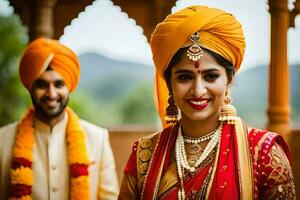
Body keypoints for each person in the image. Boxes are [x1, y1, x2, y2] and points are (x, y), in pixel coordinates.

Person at [118, 5, 296, 200]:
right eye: (184, 77)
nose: (198, 90)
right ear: (169, 83)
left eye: (211, 76)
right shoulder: (145, 154)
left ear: (229, 80)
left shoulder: (265, 154)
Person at [0, 38, 118, 199]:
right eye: (42, 85)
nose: (51, 94)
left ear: (69, 87)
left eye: (59, 84)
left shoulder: (97, 139)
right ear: (30, 88)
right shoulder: (3, 140)